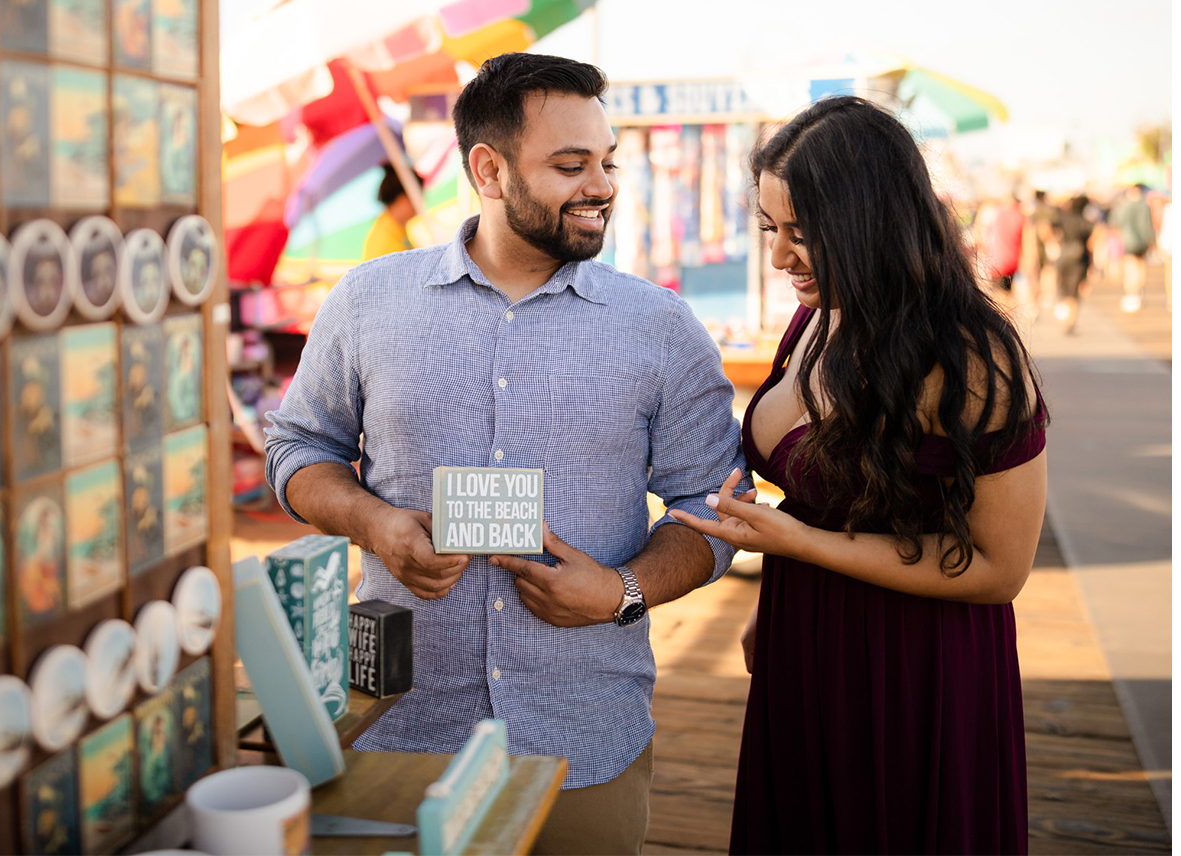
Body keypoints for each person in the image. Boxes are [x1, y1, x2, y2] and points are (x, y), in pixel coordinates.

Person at [262, 53, 750, 856]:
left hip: (583, 742)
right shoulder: (367, 301)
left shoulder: (660, 328)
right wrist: (374, 522)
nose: (601, 185)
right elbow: (299, 445)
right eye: (569, 165)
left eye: (606, 162)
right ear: (487, 170)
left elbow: (715, 507)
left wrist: (622, 589)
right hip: (397, 727)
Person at [666, 95, 1047, 854]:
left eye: (802, 234)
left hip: (914, 664)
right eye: (770, 229)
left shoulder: (971, 357)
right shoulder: (818, 317)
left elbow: (1000, 568)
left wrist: (802, 549)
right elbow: (827, 499)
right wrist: (773, 604)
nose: (779, 258)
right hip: (804, 632)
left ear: (872, 219)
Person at [1050, 193, 1094, 333]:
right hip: (1079, 258)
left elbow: (1049, 227)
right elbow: (1094, 240)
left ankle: (1064, 314)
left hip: (1063, 256)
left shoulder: (1063, 218)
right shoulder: (1086, 222)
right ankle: (1070, 322)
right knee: (1074, 291)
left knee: (1063, 287)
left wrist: (1055, 241)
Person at [1112, 183, 1157, 312]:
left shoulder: (1123, 206)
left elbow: (1116, 223)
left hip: (1127, 241)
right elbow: (1148, 225)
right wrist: (1151, 240)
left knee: (1130, 267)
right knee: (1141, 266)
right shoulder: (1144, 206)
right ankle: (1139, 290)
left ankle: (1131, 293)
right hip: (1142, 241)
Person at [361, 164, 418, 261]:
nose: (420, 200)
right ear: (402, 198)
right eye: (417, 193)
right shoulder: (386, 240)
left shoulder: (394, 228)